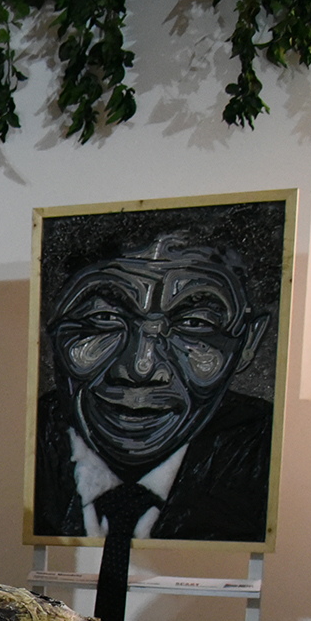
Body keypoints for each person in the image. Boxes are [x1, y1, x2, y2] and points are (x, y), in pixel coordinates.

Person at [30, 233, 274, 544]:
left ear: (249, 342)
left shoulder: (267, 458)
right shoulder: (13, 452)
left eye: (194, 323)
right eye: (103, 317)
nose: (140, 368)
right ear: (50, 326)